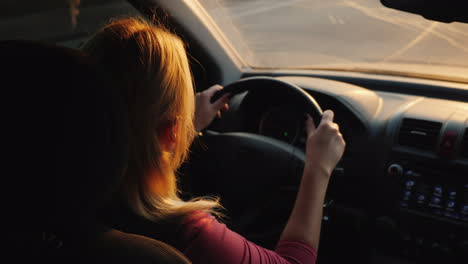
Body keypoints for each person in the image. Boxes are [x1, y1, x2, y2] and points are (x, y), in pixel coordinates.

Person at [83, 17, 345, 264]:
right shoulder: (186, 236)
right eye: (181, 120)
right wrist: (318, 168)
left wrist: (188, 125)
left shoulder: (56, 198)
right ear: (170, 131)